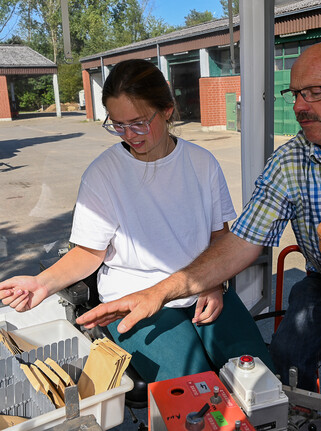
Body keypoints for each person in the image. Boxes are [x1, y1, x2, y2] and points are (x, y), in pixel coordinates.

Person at [0, 59, 274, 382]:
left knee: (259, 378)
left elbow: (220, 237)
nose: (130, 135)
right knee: (194, 383)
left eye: (139, 123)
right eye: (118, 125)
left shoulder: (203, 164)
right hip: (133, 302)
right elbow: (90, 253)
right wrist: (41, 283)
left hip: (200, 289)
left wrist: (215, 283)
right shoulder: (103, 175)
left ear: (168, 110)